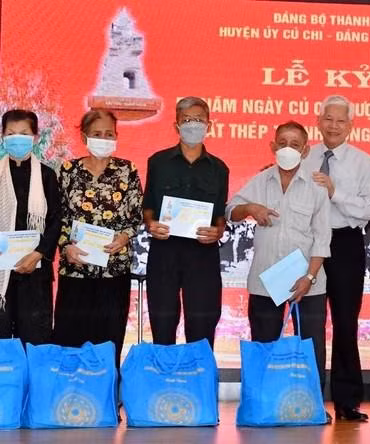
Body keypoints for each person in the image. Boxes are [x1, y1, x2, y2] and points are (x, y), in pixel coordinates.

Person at [226, 121, 331, 420]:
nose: (288, 148)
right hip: (266, 282)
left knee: (311, 349)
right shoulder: (260, 181)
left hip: (308, 282)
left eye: (295, 143)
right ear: (272, 146)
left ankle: (312, 407)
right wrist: (250, 209)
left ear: (305, 149)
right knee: (264, 346)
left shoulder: (316, 189)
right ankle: (262, 406)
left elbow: (322, 238)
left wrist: (309, 277)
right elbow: (230, 210)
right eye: (282, 142)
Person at [303, 95, 370, 422]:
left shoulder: (365, 163)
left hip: (345, 242)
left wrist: (335, 192)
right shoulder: (305, 158)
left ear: (351, 126)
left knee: (345, 323)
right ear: (319, 122)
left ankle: (347, 401)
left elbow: (369, 209)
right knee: (310, 322)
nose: (333, 126)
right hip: (308, 244)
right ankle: (308, 397)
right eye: (328, 119)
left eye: (340, 121)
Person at [53, 109, 143, 367]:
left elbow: (136, 215)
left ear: (116, 136)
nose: (103, 139)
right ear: (84, 137)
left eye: (108, 134)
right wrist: (65, 246)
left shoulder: (127, 170)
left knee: (108, 342)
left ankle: (105, 403)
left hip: (114, 273)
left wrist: (125, 237)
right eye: (96, 134)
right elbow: (57, 217)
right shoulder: (68, 170)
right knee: (69, 341)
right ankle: (68, 401)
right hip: (76, 270)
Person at [142, 97, 229, 347]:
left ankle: (198, 380)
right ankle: (163, 381)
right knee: (163, 322)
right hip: (164, 251)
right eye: (187, 120)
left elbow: (220, 215)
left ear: (209, 125)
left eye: (199, 120)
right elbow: (148, 206)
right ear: (176, 125)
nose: (194, 125)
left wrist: (219, 231)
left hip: (203, 254)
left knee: (203, 324)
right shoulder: (157, 162)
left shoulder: (219, 168)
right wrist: (151, 224)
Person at [0, 109, 61, 345]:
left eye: (23, 133)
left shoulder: (46, 174)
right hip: (2, 273)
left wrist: (38, 254)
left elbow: (56, 219)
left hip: (35, 271)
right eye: (11, 133)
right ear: (3, 136)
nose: (17, 139)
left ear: (35, 137)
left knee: (35, 340)